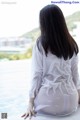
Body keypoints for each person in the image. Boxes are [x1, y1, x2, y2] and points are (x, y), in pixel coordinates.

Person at [21, 4, 80, 119]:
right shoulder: (71, 43)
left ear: (44, 23)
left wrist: (30, 103)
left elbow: (36, 75)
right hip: (71, 102)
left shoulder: (41, 44)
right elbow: (75, 73)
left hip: (49, 103)